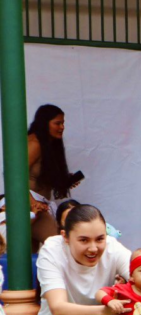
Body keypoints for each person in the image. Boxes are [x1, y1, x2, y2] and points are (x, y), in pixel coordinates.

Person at [28, 105, 81, 249]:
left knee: (32, 254)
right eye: (57, 123)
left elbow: (40, 176)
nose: (62, 127)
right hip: (31, 206)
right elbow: (16, 176)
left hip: (40, 206)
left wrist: (64, 180)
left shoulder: (48, 144)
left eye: (63, 123)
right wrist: (32, 202)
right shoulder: (34, 143)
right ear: (44, 123)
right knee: (60, 247)